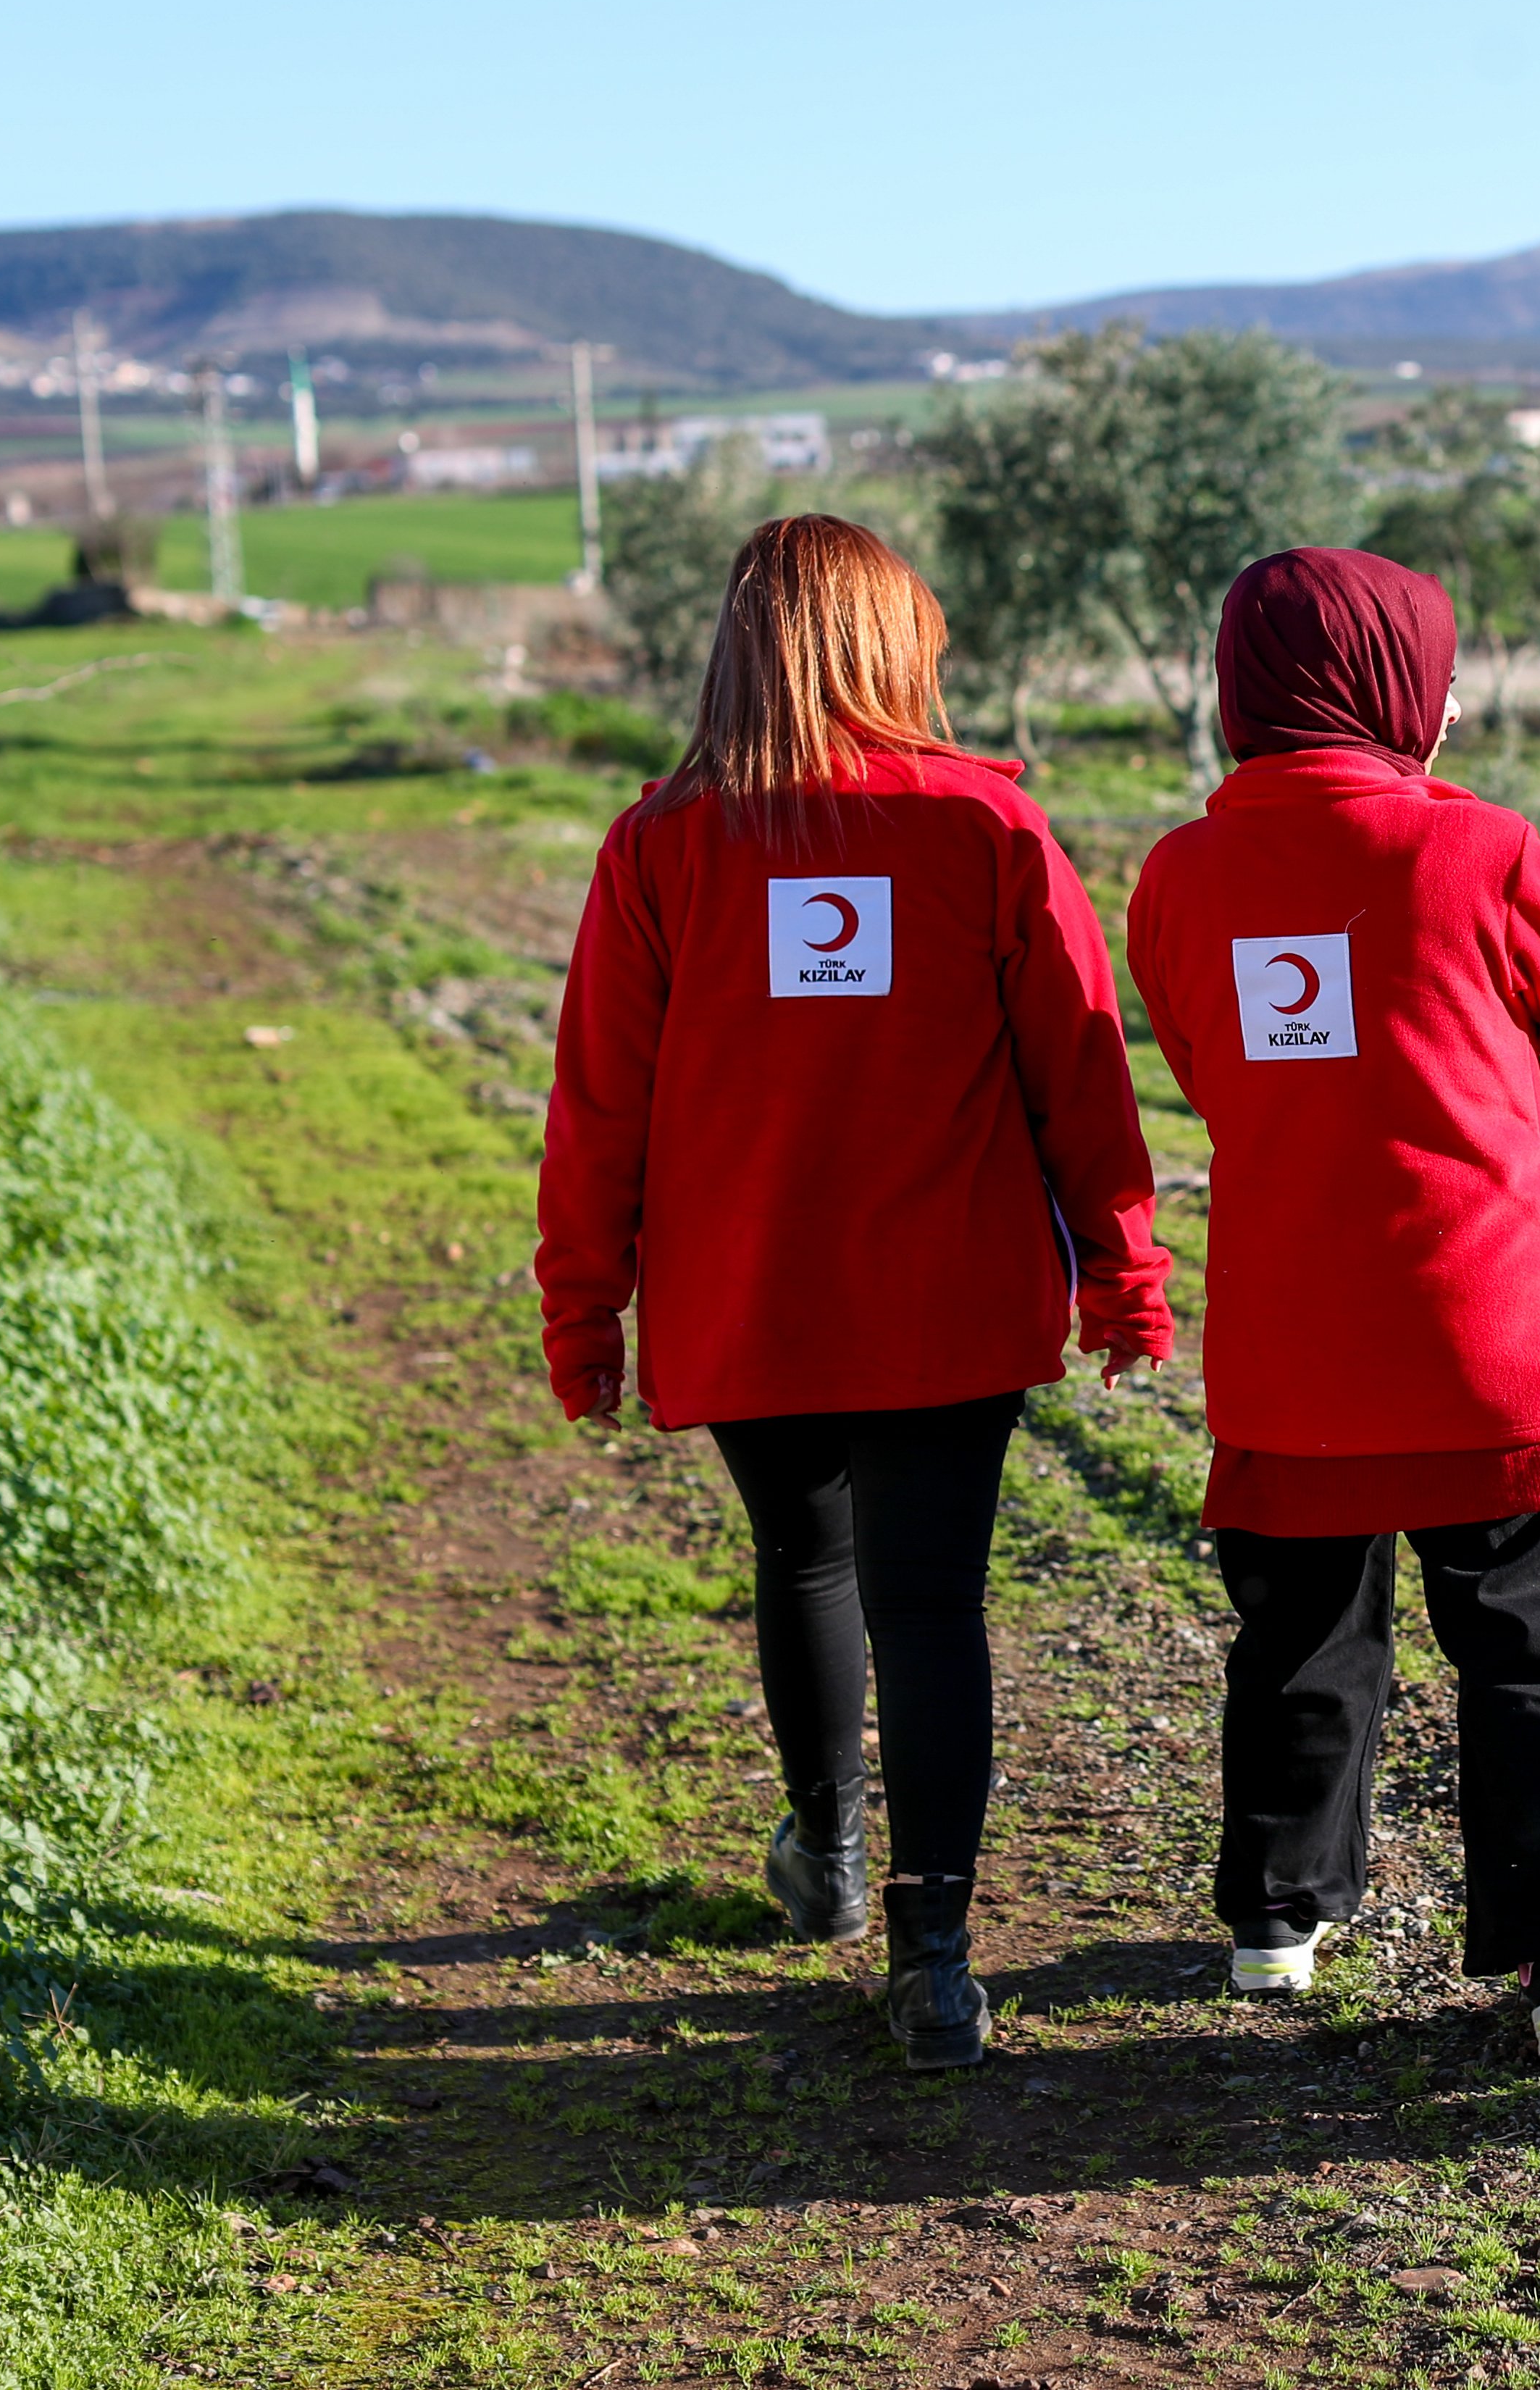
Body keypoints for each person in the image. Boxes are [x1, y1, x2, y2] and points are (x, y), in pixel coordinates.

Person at [537, 514, 1173, 2071]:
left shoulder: (663, 846)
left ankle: (822, 1854)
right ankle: (937, 1957)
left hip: (748, 1298)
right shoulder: (984, 832)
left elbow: (595, 1103)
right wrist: (1123, 1273)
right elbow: (1079, 1071)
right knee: (932, 1604)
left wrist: (585, 1308)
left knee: (805, 1561)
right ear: (893, 646)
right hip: (948, 1302)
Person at [1125, 546, 1540, 2071]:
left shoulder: (1178, 876)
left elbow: (1208, 1058)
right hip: (1482, 1346)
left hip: (1295, 1341)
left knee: (1296, 1634)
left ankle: (1277, 1924)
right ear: (1398, 686)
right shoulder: (1482, 850)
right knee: (1517, 1647)